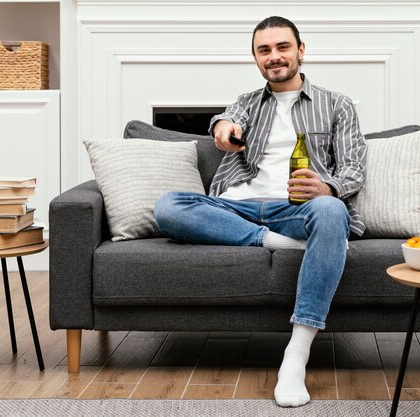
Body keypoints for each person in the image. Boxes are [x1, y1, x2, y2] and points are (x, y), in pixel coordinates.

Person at [154, 16, 366, 407]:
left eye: (282, 47)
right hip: (236, 206)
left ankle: (296, 354)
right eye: (264, 50)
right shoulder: (247, 102)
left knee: (333, 212)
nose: (274, 57)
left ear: (301, 50)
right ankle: (277, 243)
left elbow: (354, 168)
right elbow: (225, 121)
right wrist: (222, 126)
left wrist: (328, 187)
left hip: (296, 207)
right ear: (255, 57)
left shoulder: (338, 105)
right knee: (168, 206)